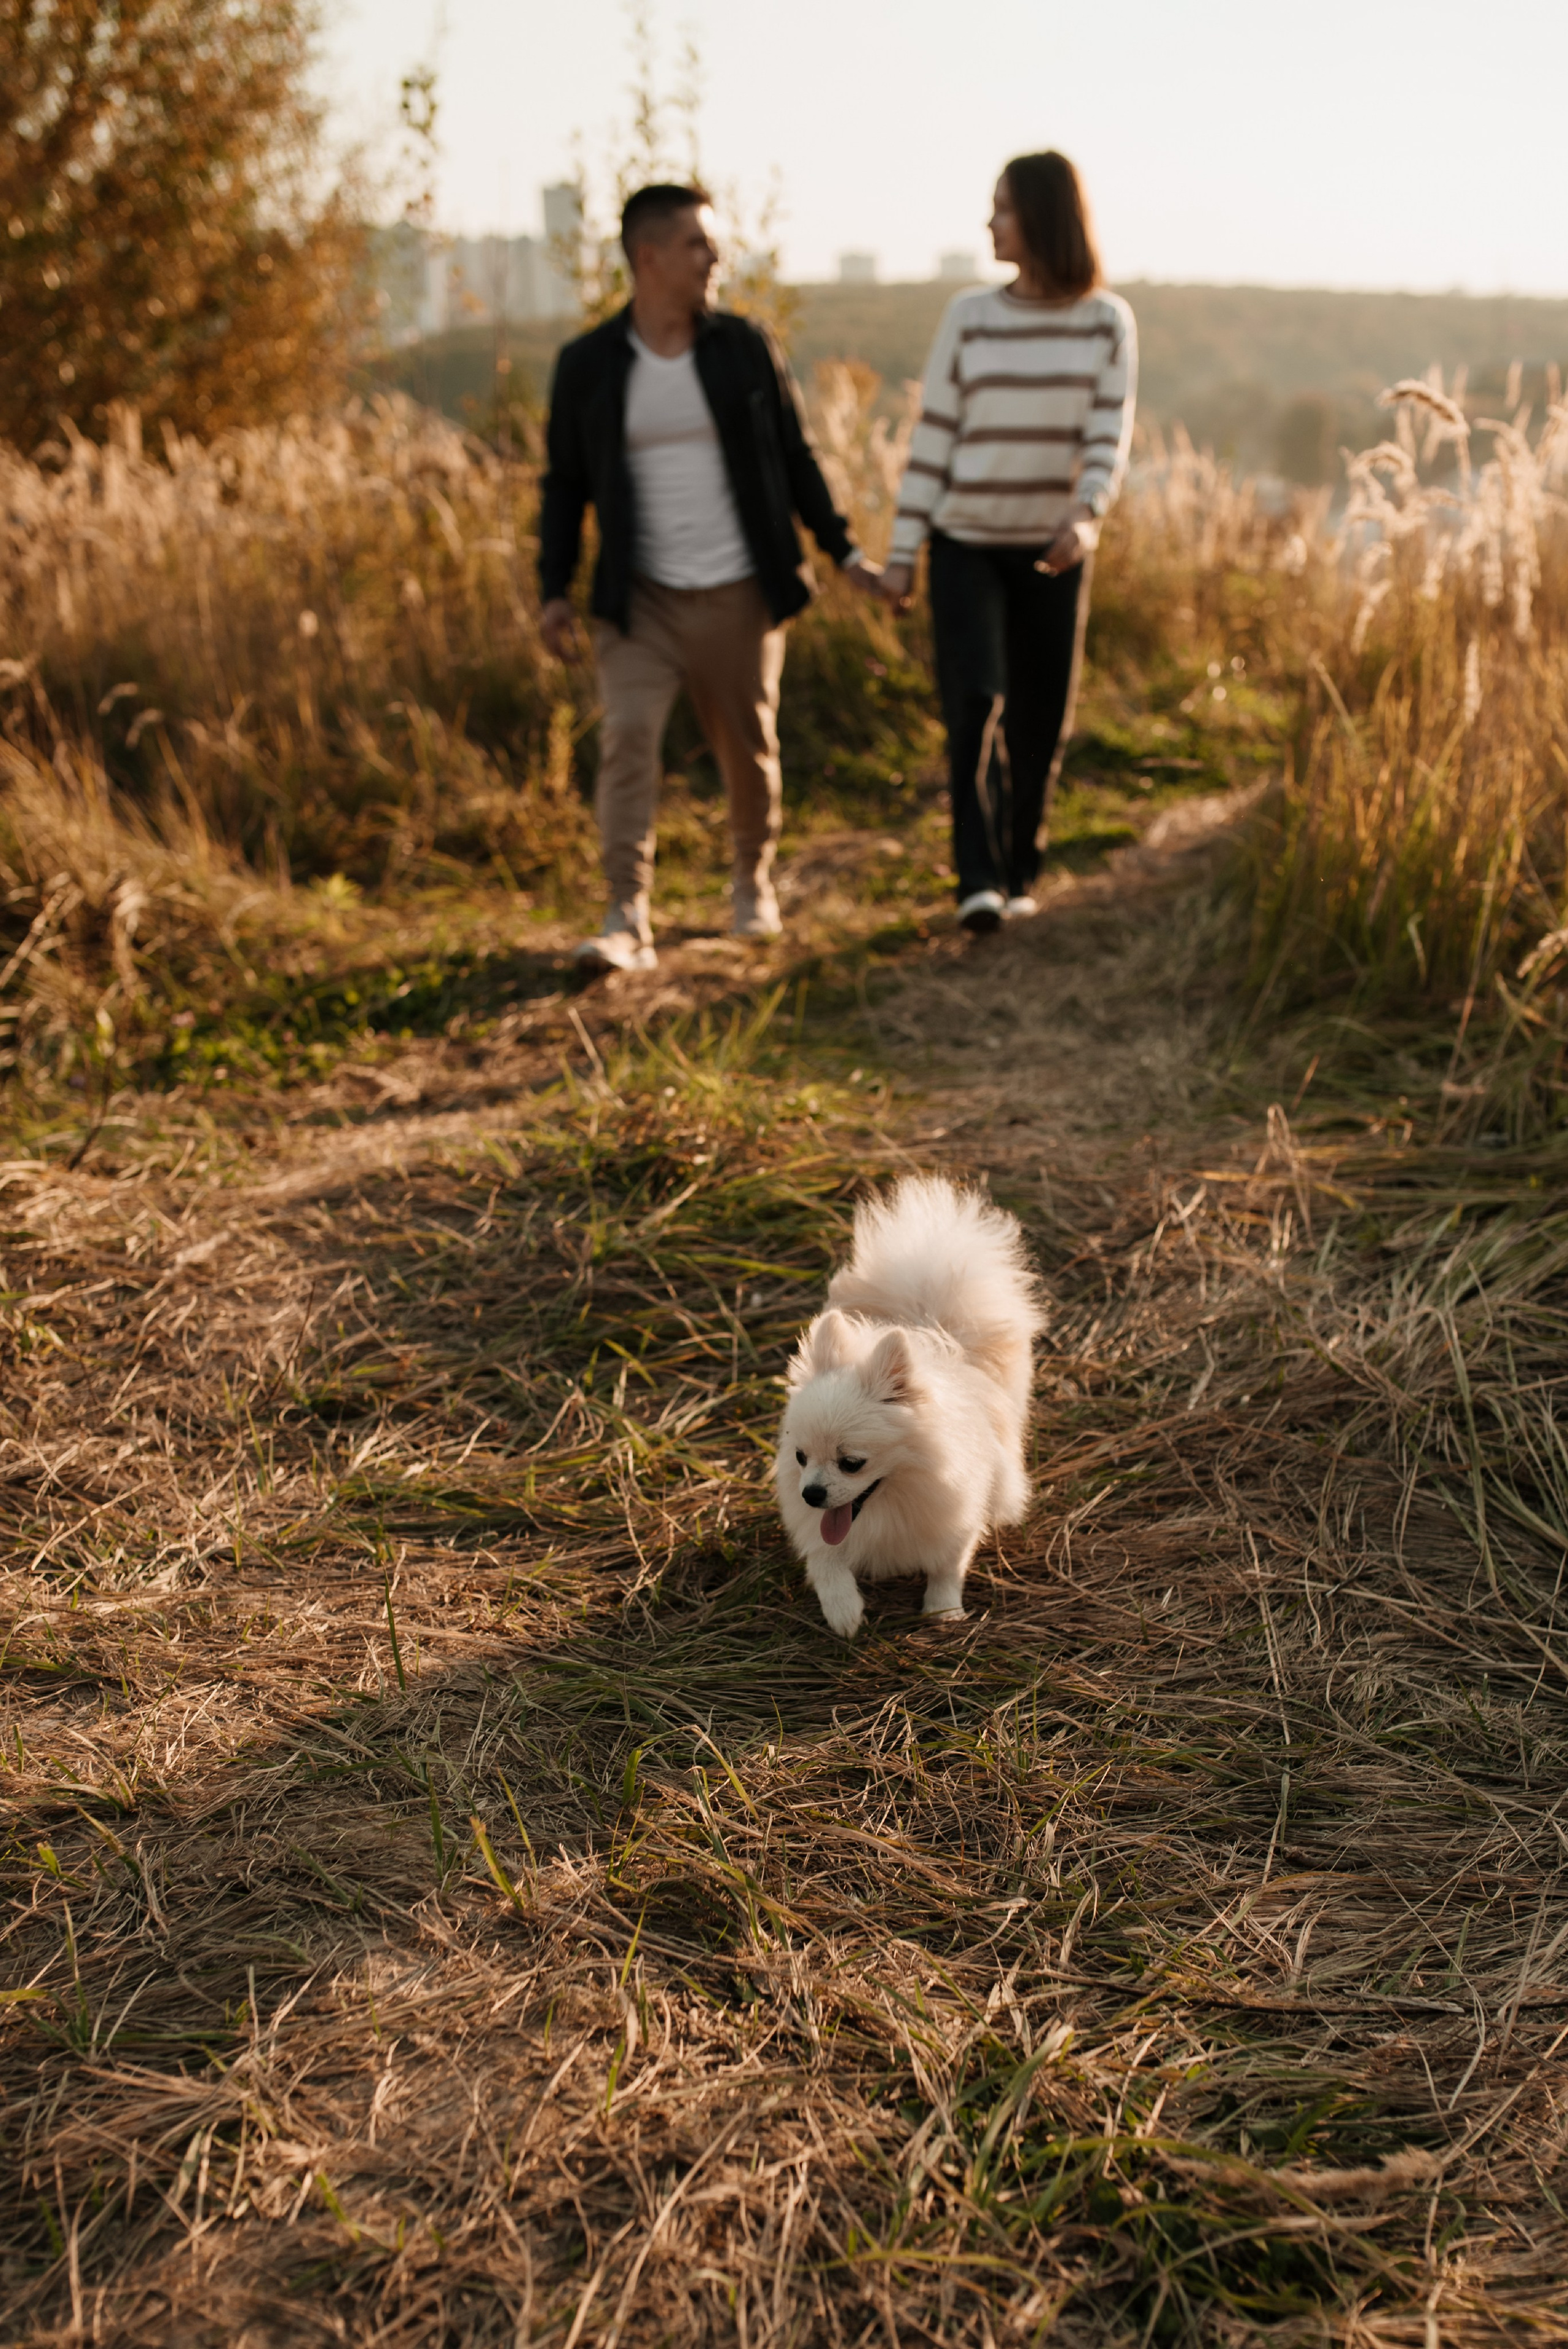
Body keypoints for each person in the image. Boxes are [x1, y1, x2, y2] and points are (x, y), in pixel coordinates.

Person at [539, 183, 880, 973]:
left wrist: (843, 552)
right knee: (627, 739)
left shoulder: (742, 347)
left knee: (748, 749)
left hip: (739, 590)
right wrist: (553, 588)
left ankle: (750, 881)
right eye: (697, 244)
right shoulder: (587, 365)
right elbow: (563, 485)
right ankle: (626, 911)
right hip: (640, 597)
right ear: (647, 256)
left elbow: (795, 459)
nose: (714, 258)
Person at [880, 152, 1136, 932]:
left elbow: (1107, 436)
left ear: (1043, 218)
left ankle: (1021, 862)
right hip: (964, 542)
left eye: (1003, 209)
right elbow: (935, 437)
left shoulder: (1105, 321)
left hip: (1052, 550)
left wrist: (1086, 514)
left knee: (1040, 717)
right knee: (974, 701)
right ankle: (978, 879)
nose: (989, 223)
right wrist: (902, 550)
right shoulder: (969, 315)